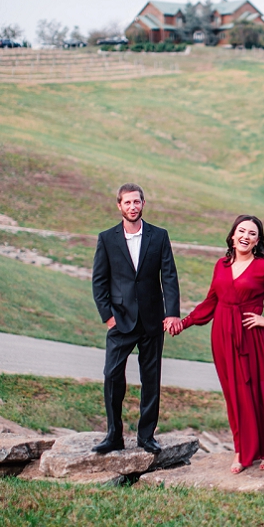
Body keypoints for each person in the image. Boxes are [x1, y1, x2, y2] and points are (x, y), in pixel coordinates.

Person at [169, 215, 264, 473]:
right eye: (242, 231)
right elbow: (210, 302)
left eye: (252, 234)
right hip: (222, 336)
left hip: (251, 336)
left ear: (257, 241)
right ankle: (241, 451)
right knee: (234, 396)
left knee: (259, 393)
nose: (245, 236)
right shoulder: (222, 264)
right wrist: (185, 322)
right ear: (232, 235)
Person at [91, 183, 181, 454]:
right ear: (119, 206)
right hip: (120, 320)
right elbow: (99, 281)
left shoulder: (159, 236)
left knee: (151, 379)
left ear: (143, 204)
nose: (132, 207)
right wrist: (108, 316)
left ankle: (146, 436)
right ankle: (113, 435)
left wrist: (172, 313)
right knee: (111, 375)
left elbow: (169, 276)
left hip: (153, 321)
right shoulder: (107, 239)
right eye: (127, 202)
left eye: (136, 202)